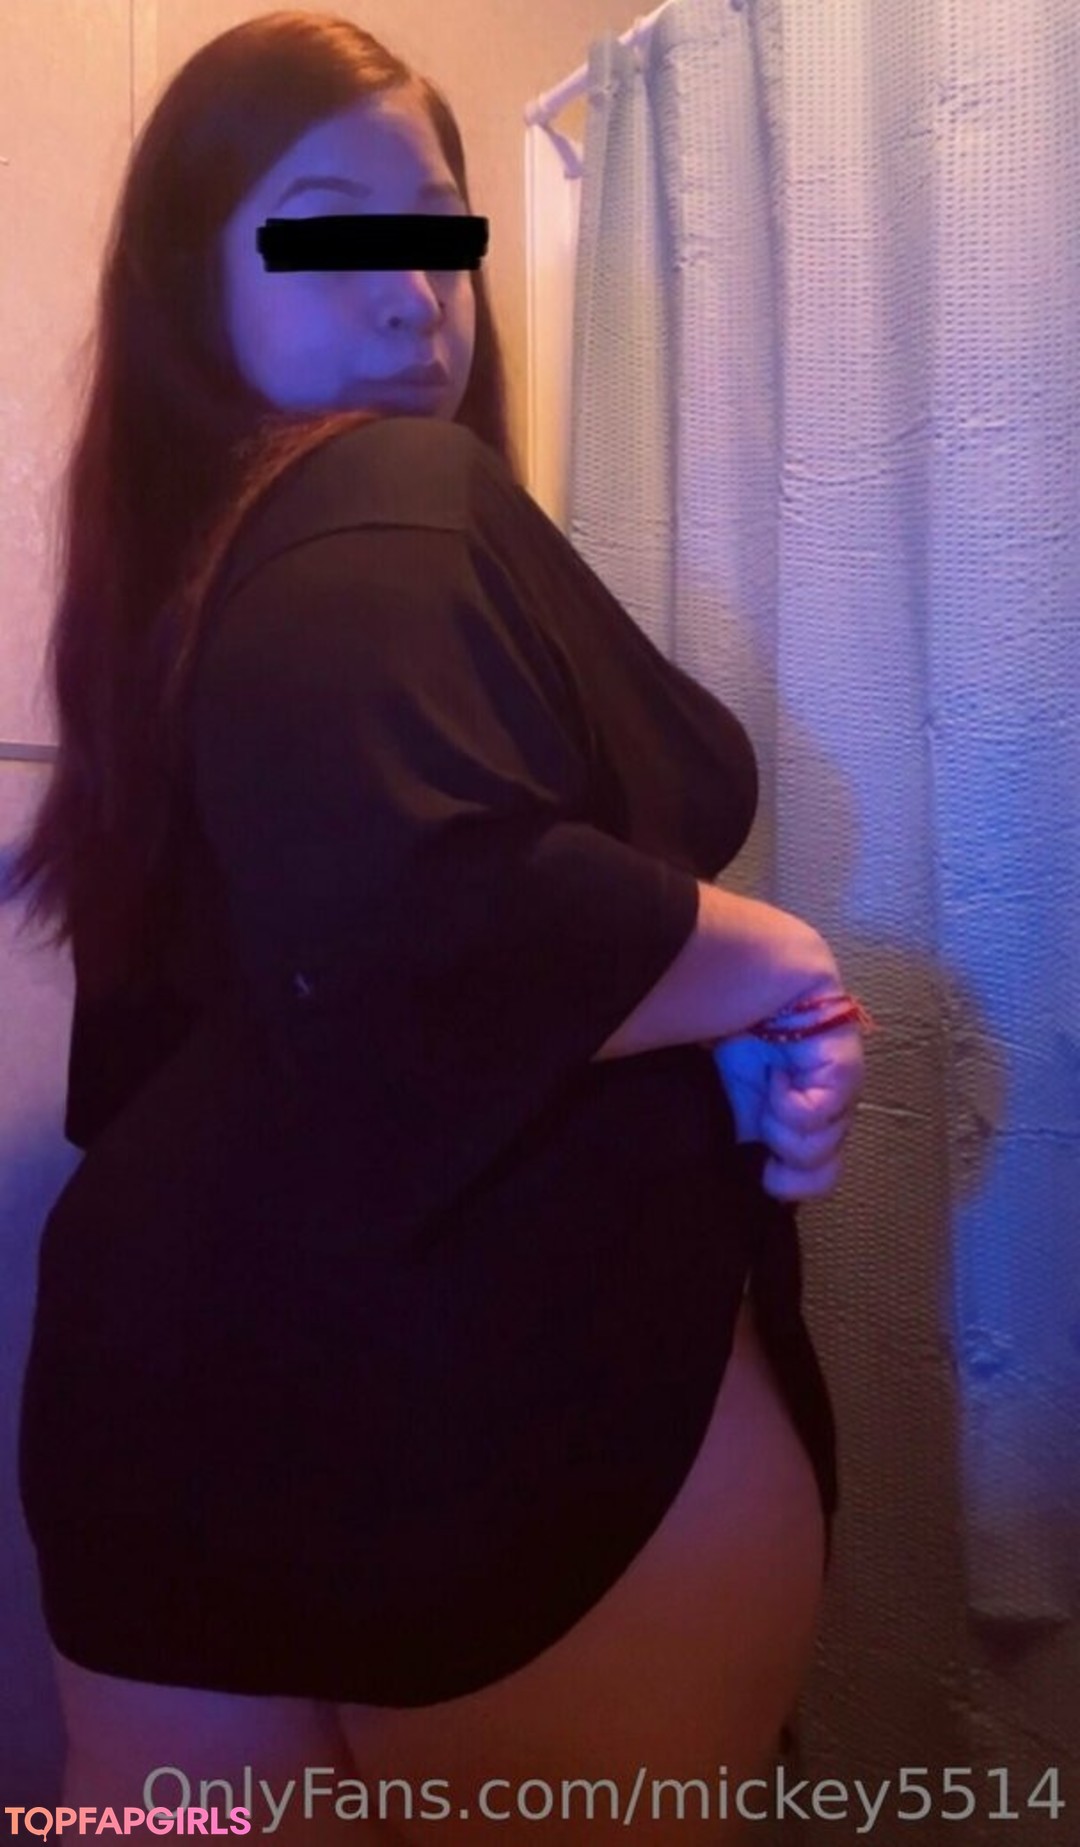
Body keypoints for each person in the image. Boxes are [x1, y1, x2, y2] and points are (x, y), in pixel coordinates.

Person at [11, 14, 867, 1844]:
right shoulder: (382, 494)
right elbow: (421, 913)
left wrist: (682, 1018)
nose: (413, 293)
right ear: (187, 280)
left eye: (439, 231)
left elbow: (224, 1039)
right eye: (331, 228)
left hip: (163, 1403)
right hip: (498, 1397)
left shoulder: (184, 604)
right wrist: (772, 960)